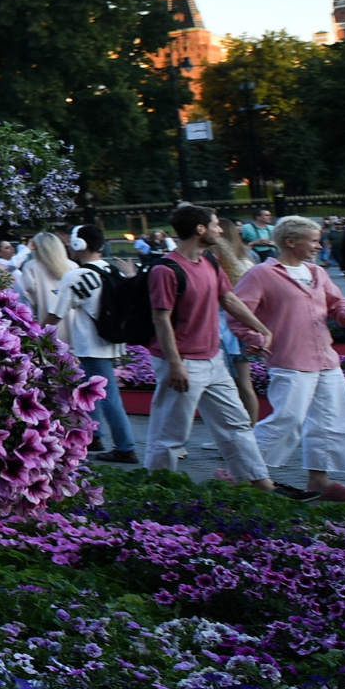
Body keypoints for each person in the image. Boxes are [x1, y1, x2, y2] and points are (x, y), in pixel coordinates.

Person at [146, 204, 275, 488]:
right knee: (170, 434)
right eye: (216, 225)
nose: (221, 230)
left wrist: (261, 328)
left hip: (213, 358)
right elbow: (161, 319)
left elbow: (229, 299)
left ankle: (258, 483)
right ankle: (156, 491)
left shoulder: (210, 262)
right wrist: (176, 363)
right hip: (183, 362)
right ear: (200, 229)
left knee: (236, 424)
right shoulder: (165, 270)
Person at [235, 217, 345, 502]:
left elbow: (337, 304)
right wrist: (257, 340)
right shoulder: (260, 275)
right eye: (314, 241)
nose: (319, 246)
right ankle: (240, 472)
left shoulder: (317, 272)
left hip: (325, 358)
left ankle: (320, 481)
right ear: (291, 242)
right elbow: (238, 314)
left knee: (332, 420)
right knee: (286, 420)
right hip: (289, 357)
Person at [57, 225, 139, 463]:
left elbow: (56, 314)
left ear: (78, 244)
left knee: (108, 394)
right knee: (91, 391)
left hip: (90, 344)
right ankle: (95, 435)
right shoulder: (112, 269)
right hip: (111, 341)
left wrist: (35, 334)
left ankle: (126, 447)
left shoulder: (76, 276)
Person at [203, 225, 267, 423]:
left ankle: (233, 431)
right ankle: (250, 429)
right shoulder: (240, 266)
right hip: (237, 330)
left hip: (219, 332)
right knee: (243, 384)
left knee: (220, 388)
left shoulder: (207, 271)